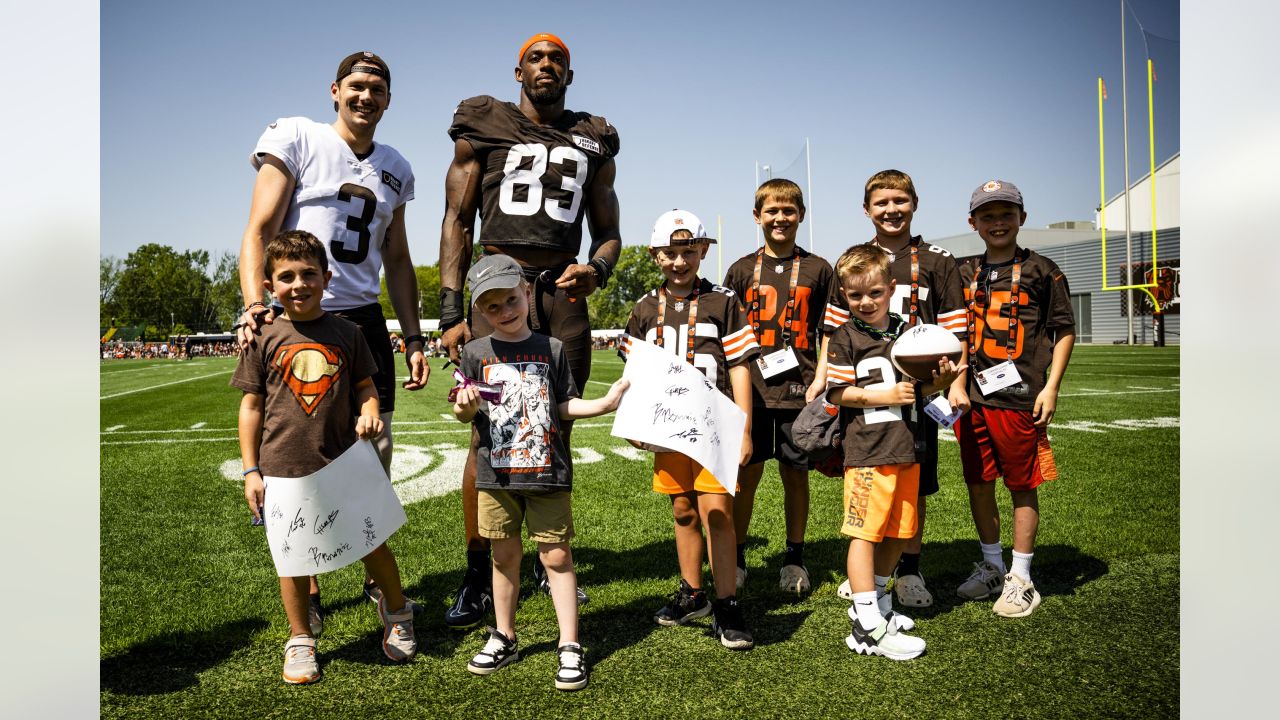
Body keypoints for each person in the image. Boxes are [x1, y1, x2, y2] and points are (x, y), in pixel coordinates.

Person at [234, 51, 428, 627]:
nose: (366, 96)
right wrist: (254, 304)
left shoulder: (395, 165)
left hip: (362, 320)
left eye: (377, 89)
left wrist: (413, 335)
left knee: (372, 456)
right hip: (296, 319)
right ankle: (310, 581)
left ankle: (377, 576)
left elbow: (396, 256)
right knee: (297, 454)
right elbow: (260, 229)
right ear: (335, 91)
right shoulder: (297, 136)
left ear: (389, 100)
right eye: (357, 86)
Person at [438, 32, 622, 629]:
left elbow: (608, 230)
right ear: (519, 69)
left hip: (561, 296)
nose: (547, 66)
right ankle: (477, 574)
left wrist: (596, 270)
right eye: (537, 58)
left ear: (571, 73)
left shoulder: (593, 136)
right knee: (484, 437)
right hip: (497, 287)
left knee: (558, 426)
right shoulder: (485, 121)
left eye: (558, 60)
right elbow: (456, 219)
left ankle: (550, 557)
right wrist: (449, 309)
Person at [234, 231, 417, 684]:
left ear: (327, 277)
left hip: (344, 462)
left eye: (309, 273)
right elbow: (251, 406)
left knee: (372, 544)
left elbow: (364, 387)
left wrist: (371, 411)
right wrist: (251, 469)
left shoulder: (348, 332)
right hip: (282, 467)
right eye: (286, 276)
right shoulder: (264, 336)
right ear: (269, 284)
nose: (299, 284)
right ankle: (300, 637)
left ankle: (397, 611)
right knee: (292, 559)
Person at [453, 253, 628, 691]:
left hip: (548, 473)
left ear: (527, 294)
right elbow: (463, 410)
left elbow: (564, 404)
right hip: (497, 477)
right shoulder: (474, 352)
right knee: (503, 557)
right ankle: (504, 635)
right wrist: (464, 407)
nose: (505, 312)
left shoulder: (550, 348)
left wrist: (603, 405)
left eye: (511, 300)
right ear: (479, 311)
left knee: (557, 557)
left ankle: (569, 643)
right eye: (492, 307)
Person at [823, 170, 967, 609]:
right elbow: (833, 330)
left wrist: (954, 385)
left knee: (914, 488)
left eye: (899, 200)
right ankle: (871, 587)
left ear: (915, 203)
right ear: (867, 210)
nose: (891, 210)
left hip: (920, 393)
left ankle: (908, 571)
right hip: (869, 397)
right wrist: (822, 384)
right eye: (881, 203)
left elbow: (957, 332)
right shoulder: (853, 260)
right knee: (874, 489)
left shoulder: (939, 261)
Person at [624, 210, 758, 650]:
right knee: (683, 509)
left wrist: (744, 427)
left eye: (688, 251)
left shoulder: (724, 301)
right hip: (669, 425)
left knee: (716, 512)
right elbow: (634, 372)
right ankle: (692, 591)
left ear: (702, 249)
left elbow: (739, 366)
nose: (679, 261)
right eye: (670, 252)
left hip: (715, 424)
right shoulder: (644, 307)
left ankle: (727, 603)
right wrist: (634, 419)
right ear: (654, 254)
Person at [954, 180, 1076, 617]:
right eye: (987, 215)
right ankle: (991, 566)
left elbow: (1064, 330)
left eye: (1006, 213)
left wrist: (1052, 386)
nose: (997, 222)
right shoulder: (963, 271)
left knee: (1022, 485)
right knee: (978, 481)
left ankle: (1021, 576)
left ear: (1022, 218)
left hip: (1020, 394)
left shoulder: (1043, 270)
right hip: (971, 396)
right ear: (973, 223)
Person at [721, 179, 833, 594]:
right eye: (772, 211)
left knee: (795, 476)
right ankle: (736, 556)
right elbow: (727, 335)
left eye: (788, 210)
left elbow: (830, 331)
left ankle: (794, 557)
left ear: (801, 214)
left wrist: (820, 378)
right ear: (757, 216)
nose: (780, 218)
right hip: (750, 391)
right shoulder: (739, 269)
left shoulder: (820, 269)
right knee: (745, 476)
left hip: (799, 389)